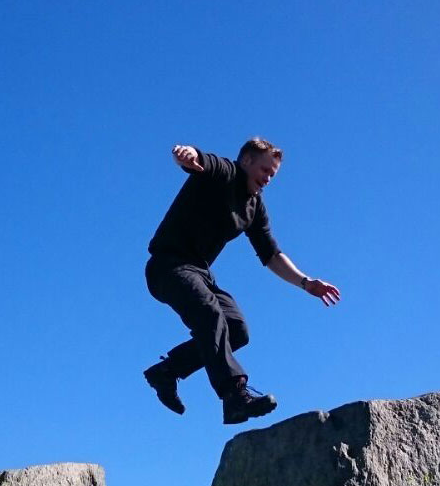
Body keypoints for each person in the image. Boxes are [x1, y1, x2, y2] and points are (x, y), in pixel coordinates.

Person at [142, 138, 341, 424]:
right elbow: (203, 161)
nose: (267, 179)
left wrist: (306, 283)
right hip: (168, 265)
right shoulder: (226, 173)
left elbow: (271, 254)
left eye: (272, 175)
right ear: (246, 161)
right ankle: (234, 397)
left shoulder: (254, 207)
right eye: (264, 170)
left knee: (236, 329)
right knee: (209, 314)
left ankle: (167, 372)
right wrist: (187, 155)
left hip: (199, 271)